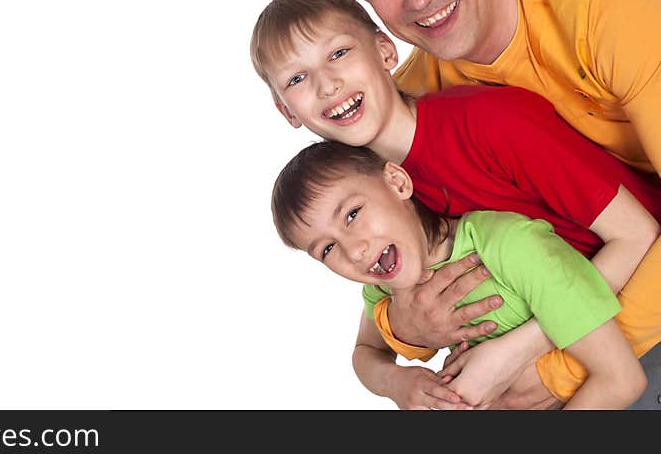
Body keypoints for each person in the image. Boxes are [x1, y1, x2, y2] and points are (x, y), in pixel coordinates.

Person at [322, 0, 661, 408]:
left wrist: (557, 369)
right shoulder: (417, 102)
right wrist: (405, 327)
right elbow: (396, 250)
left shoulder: (610, 0)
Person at [250, 0, 661, 408]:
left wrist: (517, 354)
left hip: (642, 320)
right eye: (297, 79)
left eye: (338, 54)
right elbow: (374, 341)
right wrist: (399, 368)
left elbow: (640, 234)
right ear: (287, 112)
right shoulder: (365, 198)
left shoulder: (490, 124)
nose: (326, 84)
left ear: (386, 52)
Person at [270, 140, 647, 410]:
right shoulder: (384, 286)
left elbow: (622, 381)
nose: (354, 250)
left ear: (398, 183)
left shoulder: (508, 245)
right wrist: (396, 383)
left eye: (352, 214)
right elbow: (366, 353)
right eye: (327, 249)